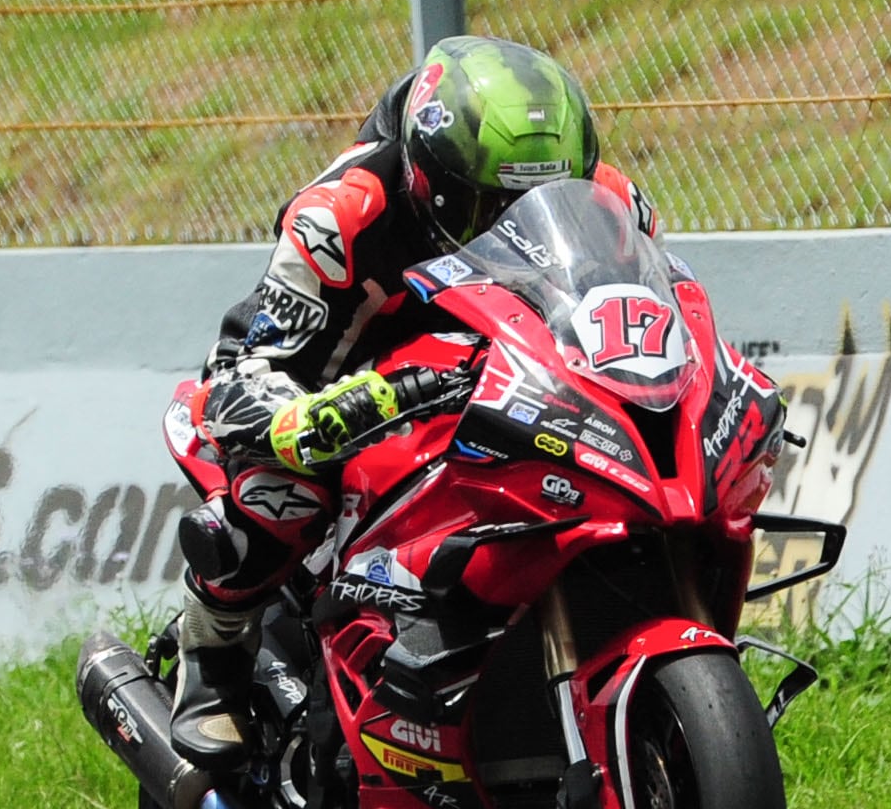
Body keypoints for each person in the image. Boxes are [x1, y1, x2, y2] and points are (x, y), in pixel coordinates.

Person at [166, 37, 659, 765]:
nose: (513, 225)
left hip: (501, 375)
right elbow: (250, 369)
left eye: (534, 203)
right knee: (282, 493)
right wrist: (313, 416)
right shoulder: (340, 217)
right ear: (432, 181)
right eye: (492, 207)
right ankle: (212, 651)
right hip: (339, 382)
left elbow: (644, 316)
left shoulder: (611, 202)